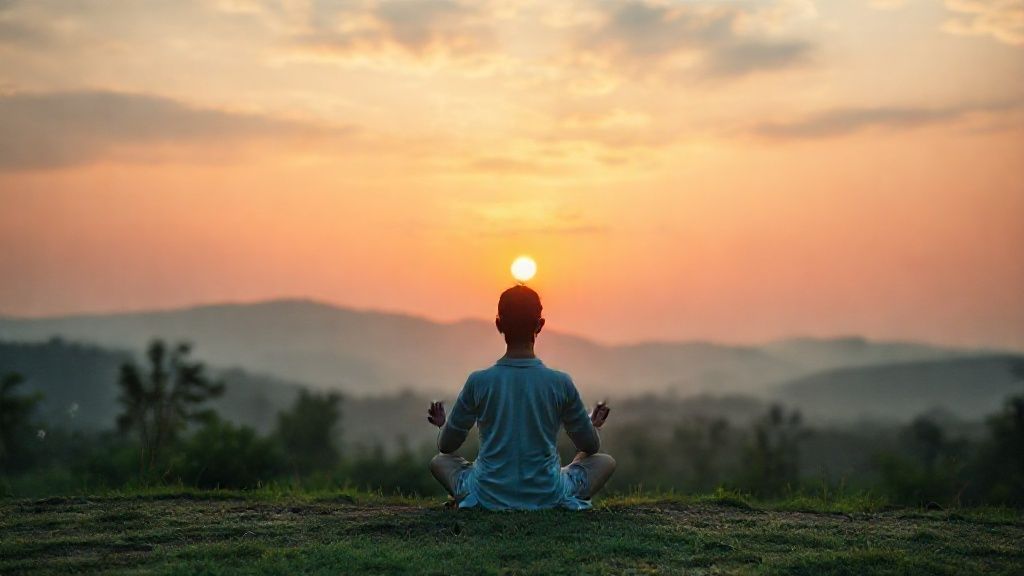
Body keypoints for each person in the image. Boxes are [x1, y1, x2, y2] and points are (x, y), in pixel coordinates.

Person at [426, 285, 616, 510]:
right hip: (547, 494)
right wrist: (591, 427)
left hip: (488, 495)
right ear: (540, 325)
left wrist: (443, 426)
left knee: (439, 462)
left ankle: (471, 498)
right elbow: (590, 446)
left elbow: (446, 447)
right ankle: (560, 489)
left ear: (499, 324)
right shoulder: (560, 383)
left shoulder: (479, 382)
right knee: (605, 462)